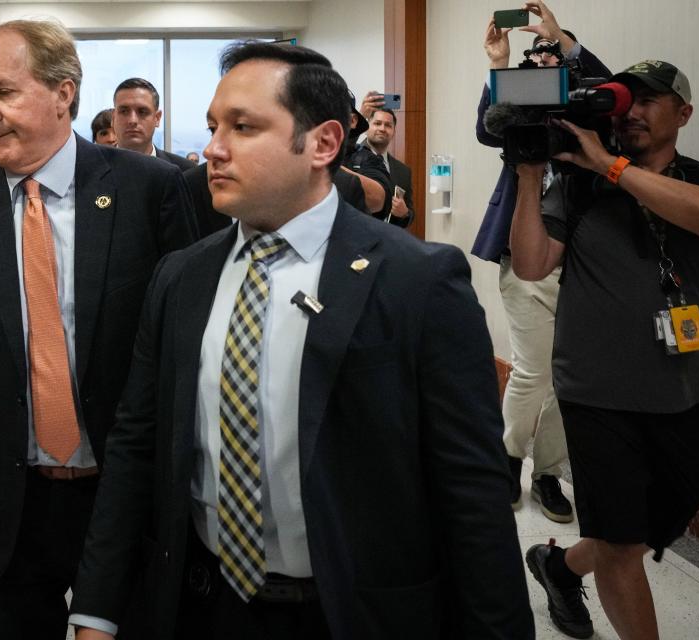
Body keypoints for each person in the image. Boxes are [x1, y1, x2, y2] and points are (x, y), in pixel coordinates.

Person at [69, 40, 534, 640]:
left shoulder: (419, 281)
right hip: (200, 607)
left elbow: (473, 491)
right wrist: (97, 609)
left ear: (323, 144)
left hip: (349, 614)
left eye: (243, 127)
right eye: (214, 126)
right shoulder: (181, 276)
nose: (212, 148)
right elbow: (136, 446)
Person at [0, 19, 197, 638]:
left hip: (125, 496)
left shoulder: (150, 190)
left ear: (64, 91)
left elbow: (188, 352)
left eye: (5, 93)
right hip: (9, 507)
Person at [510, 60, 699, 640]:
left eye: (648, 101)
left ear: (684, 114)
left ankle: (558, 567)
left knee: (653, 525)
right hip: (596, 393)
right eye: (626, 100)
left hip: (686, 388)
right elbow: (530, 264)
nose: (632, 112)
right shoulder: (579, 184)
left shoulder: (692, 178)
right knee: (621, 543)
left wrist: (611, 165)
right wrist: (526, 175)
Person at [473, 0, 611, 524]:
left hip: (585, 263)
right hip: (523, 253)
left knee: (566, 375)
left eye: (554, 53)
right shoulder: (517, 111)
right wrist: (501, 65)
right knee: (533, 371)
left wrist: (567, 46)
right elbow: (488, 130)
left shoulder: (589, 110)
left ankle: (549, 472)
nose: (544, 58)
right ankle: (508, 460)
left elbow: (609, 91)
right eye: (540, 56)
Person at [350, 97, 414, 227]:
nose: (382, 128)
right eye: (377, 123)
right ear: (367, 127)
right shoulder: (349, 156)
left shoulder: (403, 171)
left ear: (394, 131)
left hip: (389, 241)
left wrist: (405, 213)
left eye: (388, 125)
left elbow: (410, 213)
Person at [113, 77, 196, 171]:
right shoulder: (93, 169)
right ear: (113, 118)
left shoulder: (185, 171)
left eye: (142, 112)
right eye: (124, 111)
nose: (133, 120)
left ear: (157, 118)